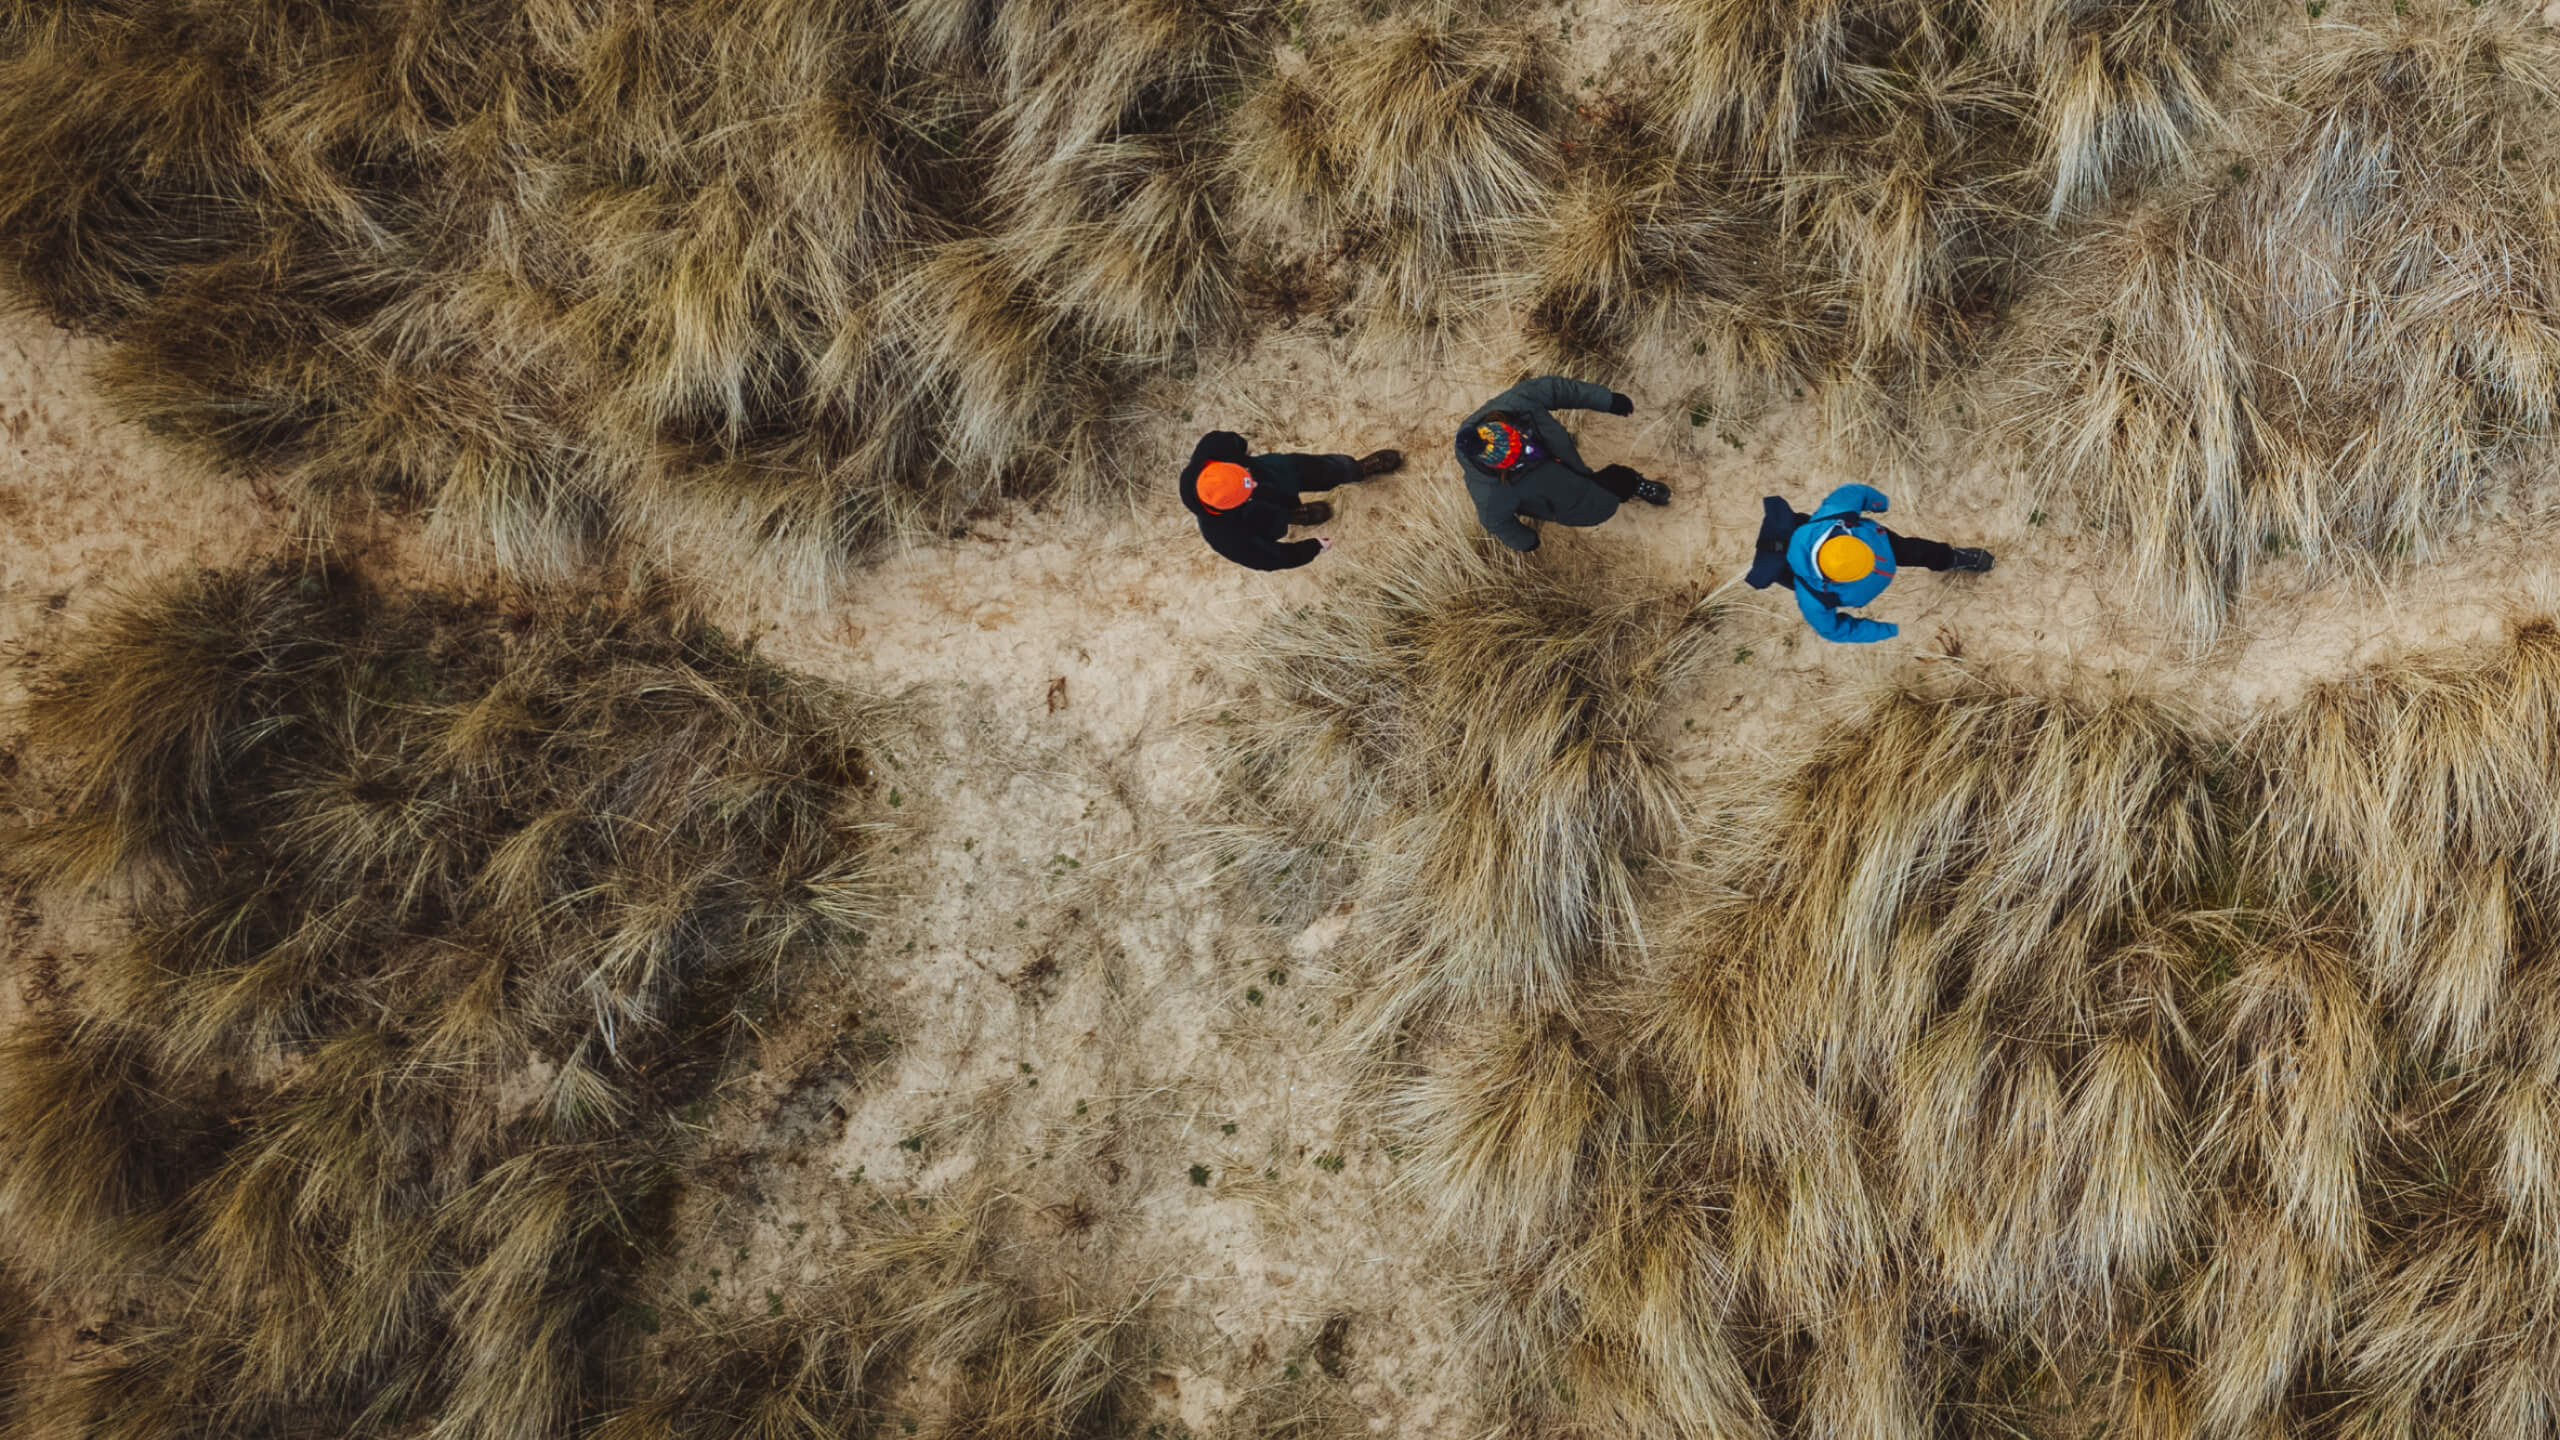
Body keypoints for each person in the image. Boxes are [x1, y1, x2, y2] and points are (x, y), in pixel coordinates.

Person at [1745, 484, 1993, 643]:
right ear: (1833, 580)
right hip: (1867, 545)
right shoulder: (1812, 597)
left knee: (1916, 550)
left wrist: (1881, 503)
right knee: (1913, 550)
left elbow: (1856, 493)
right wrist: (1885, 631)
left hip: (1880, 541)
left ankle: (1952, 558)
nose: (1872, 562)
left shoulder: (1834, 514)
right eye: (1862, 568)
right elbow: (1833, 630)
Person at [1454, 376, 1670, 552]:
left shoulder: (1517, 403)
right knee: (1605, 499)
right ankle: (1625, 488)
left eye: (1522, 441)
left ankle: (1634, 483)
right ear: (1501, 468)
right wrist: (1525, 541)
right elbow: (1495, 522)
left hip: (1565, 460)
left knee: (1620, 478)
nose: (1530, 449)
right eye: (1519, 457)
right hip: (1561, 497)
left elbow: (1556, 389)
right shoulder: (1489, 491)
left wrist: (1606, 400)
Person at [1180, 431, 1403, 570]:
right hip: (1264, 518)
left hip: (1281, 471)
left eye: (1245, 475)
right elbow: (1269, 558)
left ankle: (1359, 469)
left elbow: (1234, 440)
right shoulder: (1223, 535)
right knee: (1280, 516)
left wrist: (1242, 450)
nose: (1254, 484)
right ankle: (1296, 515)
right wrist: (1312, 548)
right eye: (1245, 493)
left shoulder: (1212, 449)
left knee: (1328, 469)